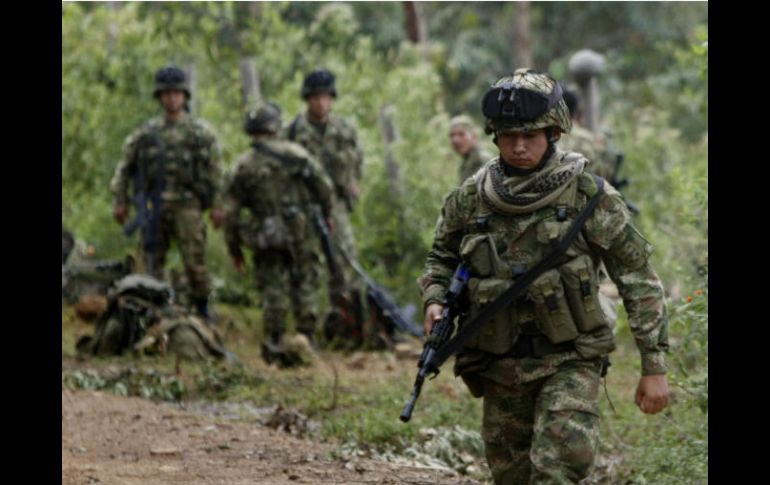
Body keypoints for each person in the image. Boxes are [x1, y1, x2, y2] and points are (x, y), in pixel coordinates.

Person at [418, 68, 670, 484]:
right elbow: (441, 258)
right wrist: (435, 299)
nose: (518, 146)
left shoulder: (590, 196)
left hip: (570, 359)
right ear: (493, 135)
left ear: (554, 134)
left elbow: (638, 277)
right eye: (508, 136)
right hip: (500, 361)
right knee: (512, 477)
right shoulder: (472, 197)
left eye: (530, 136)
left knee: (557, 467)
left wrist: (654, 365)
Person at [223, 102, 334, 366]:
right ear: (276, 126)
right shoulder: (297, 154)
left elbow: (230, 214)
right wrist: (326, 215)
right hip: (300, 230)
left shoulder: (243, 165)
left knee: (273, 288)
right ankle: (307, 339)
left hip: (265, 233)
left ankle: (274, 341)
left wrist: (234, 248)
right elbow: (324, 188)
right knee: (304, 282)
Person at [110, 66, 223, 321]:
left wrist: (217, 205)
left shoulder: (200, 133)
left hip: (188, 205)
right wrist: (120, 200)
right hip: (154, 205)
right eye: (167, 93)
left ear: (184, 96)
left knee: (195, 262)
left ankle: (203, 309)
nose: (172, 98)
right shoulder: (146, 133)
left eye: (176, 93)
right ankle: (149, 311)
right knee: (150, 262)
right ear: (160, 97)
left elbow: (216, 172)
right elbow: (124, 168)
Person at [284, 68, 367, 346]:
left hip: (336, 208)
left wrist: (354, 186)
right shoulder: (293, 132)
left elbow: (357, 163)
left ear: (331, 99)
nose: (320, 103)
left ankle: (346, 326)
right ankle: (306, 330)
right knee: (306, 266)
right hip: (304, 208)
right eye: (314, 98)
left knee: (343, 264)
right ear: (307, 100)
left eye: (325, 97)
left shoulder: (345, 131)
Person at [449, 114, 492, 183]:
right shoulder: (468, 161)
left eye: (461, 134)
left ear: (474, 136)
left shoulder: (481, 160)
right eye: (452, 135)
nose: (455, 140)